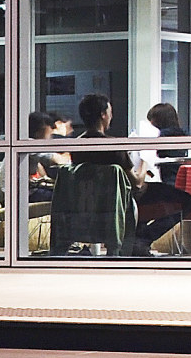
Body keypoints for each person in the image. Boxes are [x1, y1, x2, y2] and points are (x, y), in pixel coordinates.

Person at [48, 91, 134, 256]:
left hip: (84, 208)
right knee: (181, 199)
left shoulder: (78, 147)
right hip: (113, 210)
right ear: (103, 115)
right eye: (109, 112)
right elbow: (135, 183)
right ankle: (137, 244)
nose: (111, 116)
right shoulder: (114, 147)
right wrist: (145, 162)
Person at [131, 99, 191, 254]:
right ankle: (140, 240)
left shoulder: (163, 136)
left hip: (171, 184)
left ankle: (142, 237)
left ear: (157, 120)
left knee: (140, 195)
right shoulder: (183, 134)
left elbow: (159, 154)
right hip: (182, 184)